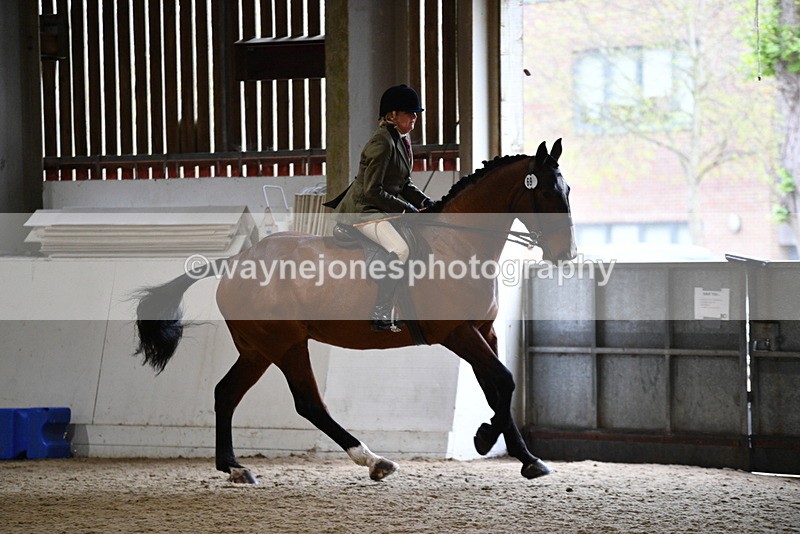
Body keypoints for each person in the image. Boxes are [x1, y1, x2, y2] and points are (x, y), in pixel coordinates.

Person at [324, 84, 433, 332]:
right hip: (365, 210)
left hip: (381, 208)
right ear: (392, 115)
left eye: (416, 113)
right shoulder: (381, 143)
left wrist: (426, 202)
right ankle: (381, 310)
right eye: (409, 113)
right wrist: (407, 210)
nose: (415, 117)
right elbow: (372, 191)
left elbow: (403, 183)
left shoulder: (402, 142)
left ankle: (401, 302)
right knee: (400, 249)